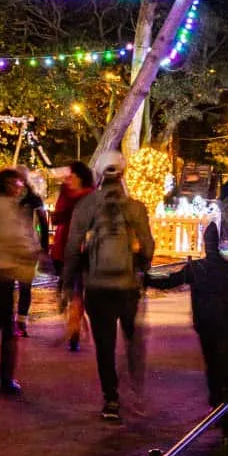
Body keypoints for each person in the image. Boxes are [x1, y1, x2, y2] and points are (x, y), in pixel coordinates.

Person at [64, 153, 155, 423]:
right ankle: (135, 391)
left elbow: (72, 248)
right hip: (127, 285)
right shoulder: (135, 207)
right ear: (123, 174)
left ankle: (111, 398)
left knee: (105, 345)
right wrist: (142, 265)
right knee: (133, 339)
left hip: (97, 286)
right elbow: (148, 246)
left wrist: (69, 283)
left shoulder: (86, 205)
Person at [147, 221, 228, 406]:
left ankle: (215, 399)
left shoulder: (196, 269)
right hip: (224, 322)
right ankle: (224, 401)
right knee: (225, 363)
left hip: (205, 322)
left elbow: (171, 281)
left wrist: (147, 280)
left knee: (211, 362)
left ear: (204, 243)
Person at [0, 168, 40, 396]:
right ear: (8, 185)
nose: (19, 188)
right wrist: (33, 252)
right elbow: (17, 237)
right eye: (17, 184)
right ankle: (6, 377)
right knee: (6, 323)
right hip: (4, 269)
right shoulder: (10, 209)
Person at [50, 161, 96, 351]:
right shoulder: (66, 194)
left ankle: (74, 328)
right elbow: (56, 217)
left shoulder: (90, 195)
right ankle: (75, 320)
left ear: (80, 177)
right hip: (63, 248)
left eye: (72, 176)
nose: (68, 179)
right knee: (69, 290)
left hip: (82, 249)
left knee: (77, 291)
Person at [15, 172, 48, 337]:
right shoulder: (32, 200)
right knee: (23, 287)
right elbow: (44, 223)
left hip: (25, 248)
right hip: (22, 247)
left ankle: (20, 321)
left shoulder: (31, 200)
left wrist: (43, 247)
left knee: (24, 287)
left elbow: (43, 223)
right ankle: (19, 322)